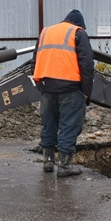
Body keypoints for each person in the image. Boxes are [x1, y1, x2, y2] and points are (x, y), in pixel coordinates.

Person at [33, 9, 94, 177]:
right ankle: (65, 166)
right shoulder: (78, 33)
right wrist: (86, 92)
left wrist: (40, 84)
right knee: (69, 126)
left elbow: (35, 59)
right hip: (70, 88)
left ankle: (48, 162)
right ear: (79, 24)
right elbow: (87, 64)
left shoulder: (46, 32)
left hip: (47, 86)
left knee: (49, 124)